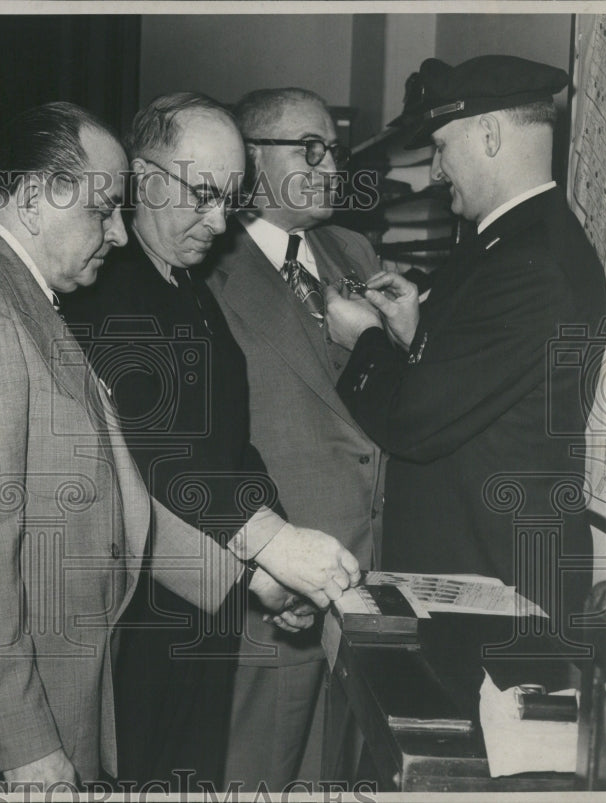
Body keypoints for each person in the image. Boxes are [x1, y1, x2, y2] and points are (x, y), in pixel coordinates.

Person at [0, 101, 358, 793]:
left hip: (57, 706)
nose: (116, 231)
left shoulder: (26, 296)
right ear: (39, 195)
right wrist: (22, 744)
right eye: (105, 209)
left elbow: (117, 503)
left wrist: (253, 575)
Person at [62, 92, 361, 790]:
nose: (219, 220)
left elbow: (230, 442)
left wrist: (268, 569)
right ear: (144, 177)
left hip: (200, 616)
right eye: (202, 194)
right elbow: (159, 447)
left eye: (229, 198)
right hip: (130, 630)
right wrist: (272, 543)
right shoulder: (107, 290)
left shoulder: (187, 283)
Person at [325, 55, 606, 635]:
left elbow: (414, 421)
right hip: (473, 573)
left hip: (498, 585)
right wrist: (413, 331)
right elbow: (480, 373)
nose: (434, 170)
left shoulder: (532, 264)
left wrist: (366, 338)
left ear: (488, 133)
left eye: (440, 146)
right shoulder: (507, 240)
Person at [201, 87, 385, 790]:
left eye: (332, 148)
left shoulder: (355, 251)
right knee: (255, 771)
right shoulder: (206, 265)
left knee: (333, 771)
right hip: (272, 585)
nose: (330, 163)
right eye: (308, 148)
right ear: (249, 160)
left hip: (363, 578)